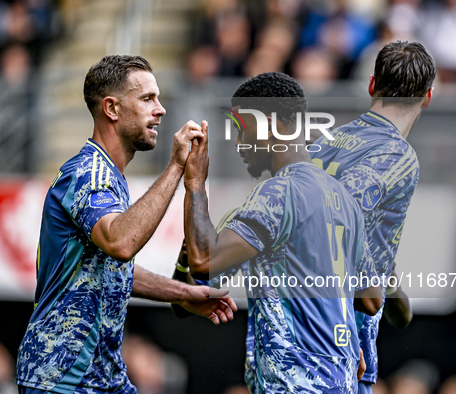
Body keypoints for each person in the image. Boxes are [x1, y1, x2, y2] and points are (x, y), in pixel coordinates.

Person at [15, 55, 237, 394]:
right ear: (112, 109)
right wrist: (176, 166)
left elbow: (111, 270)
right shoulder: (89, 172)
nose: (160, 109)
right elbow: (121, 244)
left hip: (104, 377)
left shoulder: (110, 177)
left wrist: (184, 293)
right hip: (62, 378)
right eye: (147, 98)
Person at [182, 72, 383, 392]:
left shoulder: (278, 192)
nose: (237, 143)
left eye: (241, 129)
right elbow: (372, 300)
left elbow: (205, 262)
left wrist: (195, 184)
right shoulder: (343, 198)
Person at [310, 40, 436, 393]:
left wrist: (391, 290)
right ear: (428, 96)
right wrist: (350, 322)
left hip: (283, 336)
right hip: (335, 344)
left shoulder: (322, 143)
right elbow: (336, 214)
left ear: (371, 85)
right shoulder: (399, 156)